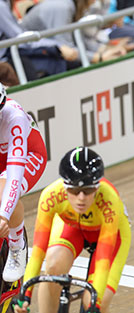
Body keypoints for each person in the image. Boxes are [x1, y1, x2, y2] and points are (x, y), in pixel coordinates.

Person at [13, 146, 131, 313]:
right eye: (74, 191)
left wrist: (94, 306)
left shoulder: (110, 201)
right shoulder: (50, 196)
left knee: (96, 301)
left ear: (97, 188)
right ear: (65, 187)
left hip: (111, 235)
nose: (81, 198)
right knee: (52, 269)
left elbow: (103, 259)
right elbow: (39, 252)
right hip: (72, 227)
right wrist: (25, 294)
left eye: (88, 191)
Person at [0, 82, 47, 283]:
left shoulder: (14, 117)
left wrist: (3, 216)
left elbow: (13, 177)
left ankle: (17, 246)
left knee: (2, 192)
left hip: (29, 155)